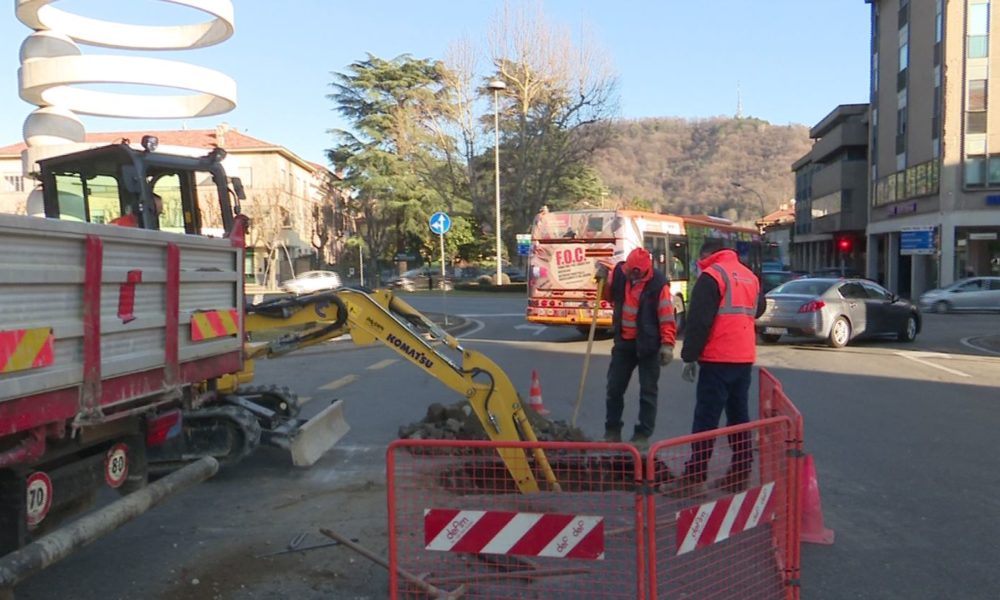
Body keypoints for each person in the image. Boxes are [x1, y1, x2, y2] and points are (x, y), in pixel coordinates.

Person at [678, 238, 764, 493]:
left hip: (717, 358)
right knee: (739, 417)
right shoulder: (750, 276)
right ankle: (740, 474)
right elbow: (758, 309)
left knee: (706, 419)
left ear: (708, 253)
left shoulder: (712, 276)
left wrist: (689, 356)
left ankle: (694, 477)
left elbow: (698, 322)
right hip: (743, 358)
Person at [595, 247, 676, 448]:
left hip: (648, 345)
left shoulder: (658, 285)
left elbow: (666, 316)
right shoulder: (622, 275)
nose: (628, 274)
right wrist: (602, 281)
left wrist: (667, 344)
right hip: (624, 342)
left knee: (648, 392)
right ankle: (612, 431)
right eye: (627, 270)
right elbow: (609, 297)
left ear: (640, 271)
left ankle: (642, 435)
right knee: (614, 388)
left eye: (631, 272)